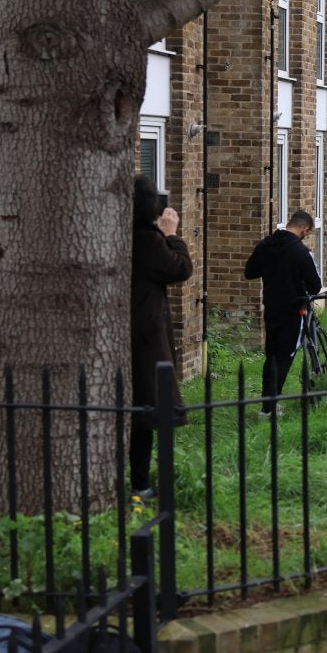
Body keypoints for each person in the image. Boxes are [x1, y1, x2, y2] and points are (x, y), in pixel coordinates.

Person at [130, 176, 192, 493]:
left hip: (130, 332)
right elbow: (180, 268)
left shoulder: (120, 236)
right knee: (145, 410)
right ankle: (139, 483)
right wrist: (171, 235)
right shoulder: (147, 241)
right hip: (144, 337)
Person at [243, 211, 322, 415]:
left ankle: (266, 403)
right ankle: (269, 409)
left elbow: (250, 272)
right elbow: (315, 286)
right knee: (284, 356)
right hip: (293, 309)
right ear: (304, 229)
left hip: (271, 307)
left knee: (271, 355)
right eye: (307, 232)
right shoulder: (300, 252)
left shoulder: (266, 244)